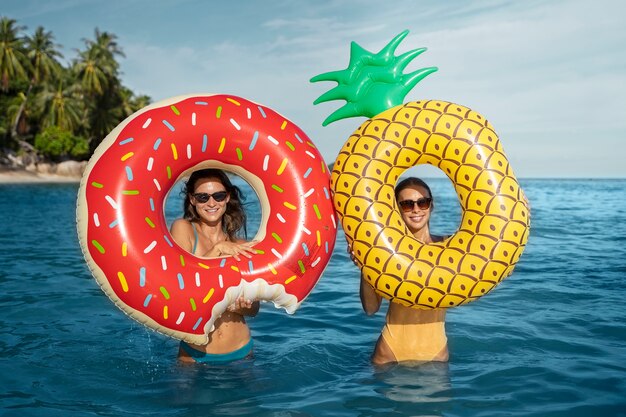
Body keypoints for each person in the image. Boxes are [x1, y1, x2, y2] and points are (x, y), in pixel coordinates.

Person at [355, 177, 449, 365]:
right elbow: (371, 309)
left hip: (436, 353)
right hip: (389, 352)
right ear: (396, 210)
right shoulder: (386, 250)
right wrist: (365, 266)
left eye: (423, 202)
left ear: (431, 206)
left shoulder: (449, 246)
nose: (416, 209)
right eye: (407, 204)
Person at [170, 168, 259, 363]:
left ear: (227, 198)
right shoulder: (183, 229)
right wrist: (216, 250)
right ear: (192, 200)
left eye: (218, 196)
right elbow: (180, 287)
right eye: (203, 197)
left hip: (241, 352)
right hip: (195, 355)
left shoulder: (240, 247)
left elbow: (254, 310)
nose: (211, 203)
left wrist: (242, 307)